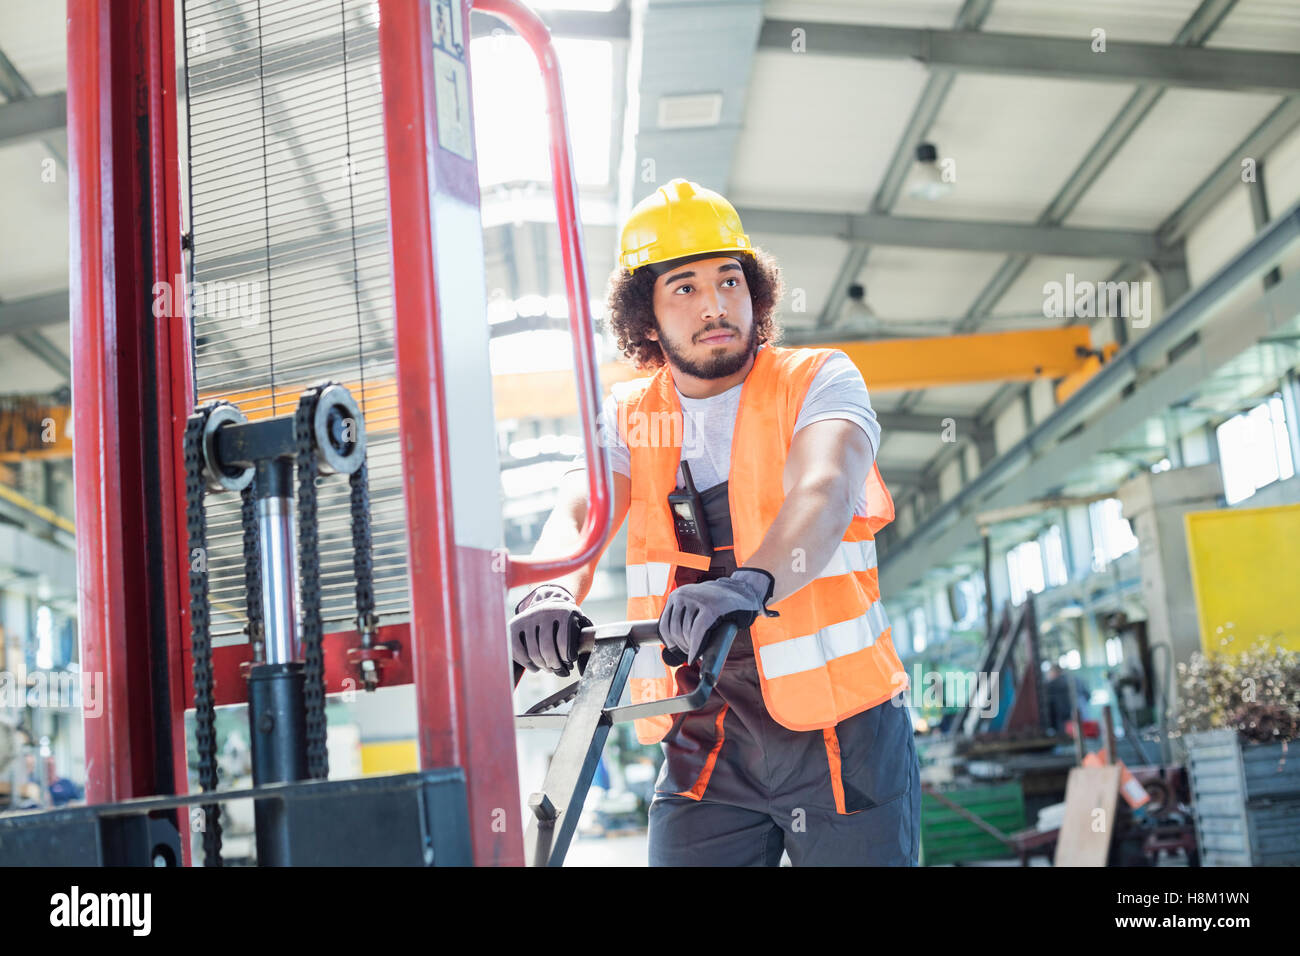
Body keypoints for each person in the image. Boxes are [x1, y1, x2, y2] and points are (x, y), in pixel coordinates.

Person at [509, 178, 919, 866]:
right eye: (686, 289)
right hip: (705, 737)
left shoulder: (817, 379)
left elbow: (826, 487)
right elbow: (581, 508)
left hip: (844, 737)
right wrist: (548, 590)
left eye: (731, 281)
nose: (717, 305)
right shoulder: (631, 415)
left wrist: (752, 582)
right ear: (645, 318)